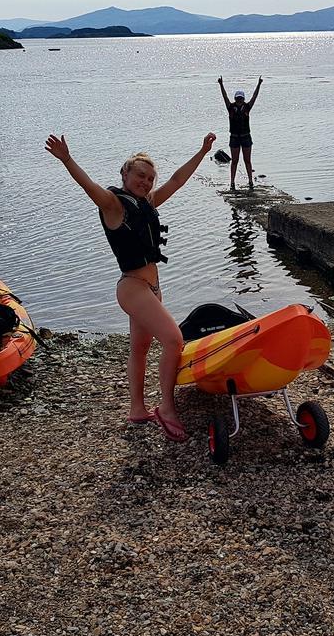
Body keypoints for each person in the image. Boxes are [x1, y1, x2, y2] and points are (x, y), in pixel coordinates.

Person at [45, 131, 216, 442]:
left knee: (140, 349)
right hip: (132, 287)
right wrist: (67, 159)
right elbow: (88, 186)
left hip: (151, 288)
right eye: (140, 175)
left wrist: (202, 152)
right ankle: (166, 407)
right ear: (125, 173)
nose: (146, 182)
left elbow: (177, 181)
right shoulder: (113, 205)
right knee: (174, 340)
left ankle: (137, 409)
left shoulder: (147, 203)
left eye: (150, 178)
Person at [217, 76, 263, 191]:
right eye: (237, 99)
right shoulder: (230, 107)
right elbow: (224, 96)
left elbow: (254, 96)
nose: (239, 101)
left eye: (241, 99)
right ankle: (232, 183)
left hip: (246, 137)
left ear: (243, 99)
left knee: (247, 161)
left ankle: (250, 181)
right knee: (234, 161)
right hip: (234, 138)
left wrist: (259, 84)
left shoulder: (247, 107)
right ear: (235, 99)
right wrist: (221, 84)